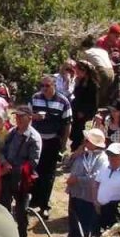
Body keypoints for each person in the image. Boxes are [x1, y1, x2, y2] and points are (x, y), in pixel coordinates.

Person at [0, 105, 42, 237]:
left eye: (21, 116)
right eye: (16, 116)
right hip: (7, 176)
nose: (17, 119)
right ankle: (4, 236)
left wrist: (14, 168)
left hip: (22, 180)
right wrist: (4, 163)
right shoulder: (12, 132)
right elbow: (1, 150)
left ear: (29, 118)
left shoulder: (34, 138)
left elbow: (33, 162)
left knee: (22, 212)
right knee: (3, 206)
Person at [29, 75, 72, 219]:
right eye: (42, 85)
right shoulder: (35, 98)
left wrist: (63, 144)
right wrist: (34, 117)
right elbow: (27, 116)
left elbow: (67, 124)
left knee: (48, 175)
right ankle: (32, 201)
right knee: (34, 170)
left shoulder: (63, 101)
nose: (44, 89)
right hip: (36, 141)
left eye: (47, 86)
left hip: (53, 141)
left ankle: (44, 205)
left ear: (54, 85)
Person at [64, 128, 107, 237]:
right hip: (75, 192)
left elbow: (95, 178)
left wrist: (77, 179)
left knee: (85, 220)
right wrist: (74, 155)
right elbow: (66, 164)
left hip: (88, 196)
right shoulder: (82, 153)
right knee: (73, 217)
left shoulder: (102, 159)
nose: (84, 142)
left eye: (87, 140)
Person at [69, 61, 99, 150]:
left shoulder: (93, 85)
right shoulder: (80, 81)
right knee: (74, 131)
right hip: (76, 110)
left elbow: (93, 102)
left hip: (85, 113)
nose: (76, 73)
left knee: (80, 133)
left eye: (78, 71)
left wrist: (83, 111)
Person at [82, 36, 118, 106]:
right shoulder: (103, 51)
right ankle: (103, 105)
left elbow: (84, 66)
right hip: (111, 72)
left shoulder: (87, 52)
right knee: (103, 92)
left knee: (95, 90)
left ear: (85, 47)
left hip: (102, 71)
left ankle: (93, 107)